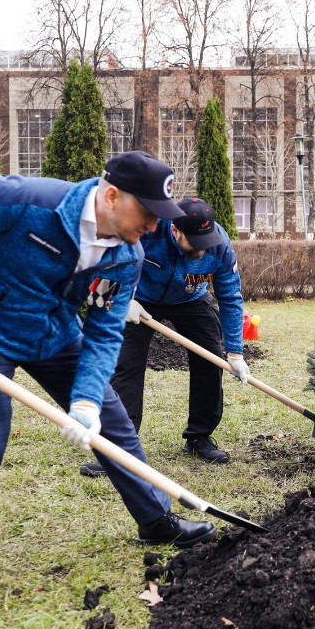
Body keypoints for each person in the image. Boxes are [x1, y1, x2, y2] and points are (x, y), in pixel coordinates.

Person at [0, 151, 217, 621]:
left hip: (56, 338)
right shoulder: (26, 201)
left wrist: (85, 401)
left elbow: (103, 332)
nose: (153, 226)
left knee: (113, 423)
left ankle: (156, 520)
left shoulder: (126, 255)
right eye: (147, 213)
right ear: (112, 196)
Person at [80, 197, 248, 476]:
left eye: (205, 241)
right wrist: (120, 302)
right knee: (125, 366)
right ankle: (119, 449)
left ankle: (199, 437)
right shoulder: (147, 229)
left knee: (210, 360)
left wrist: (235, 352)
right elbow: (105, 264)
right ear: (175, 230)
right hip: (140, 300)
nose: (202, 249)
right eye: (195, 242)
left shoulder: (219, 245)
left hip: (191, 300)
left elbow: (230, 296)